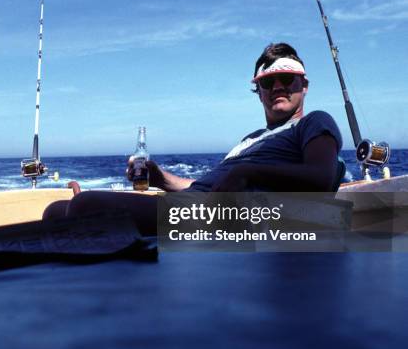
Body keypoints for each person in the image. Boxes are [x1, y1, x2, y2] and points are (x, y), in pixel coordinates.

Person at [43, 42, 343, 235]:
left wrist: (246, 172)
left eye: (287, 79)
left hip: (228, 217)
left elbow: (320, 176)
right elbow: (205, 186)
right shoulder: (250, 139)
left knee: (85, 207)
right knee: (55, 211)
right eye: (267, 82)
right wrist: (160, 177)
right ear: (259, 91)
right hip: (198, 202)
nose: (278, 86)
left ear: (303, 85)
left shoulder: (315, 121)